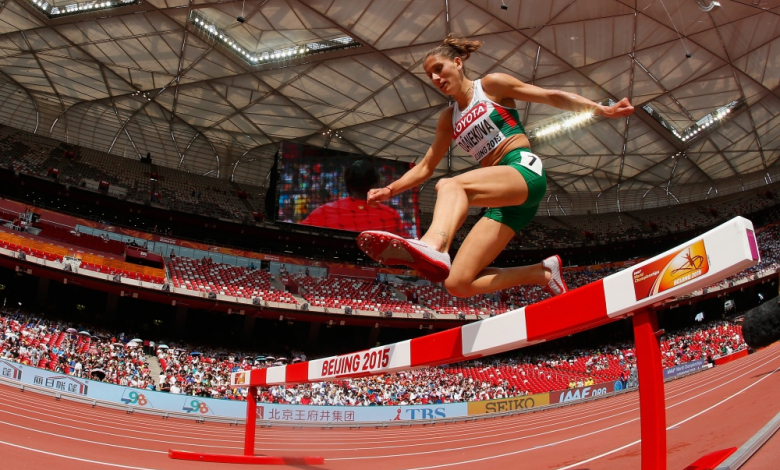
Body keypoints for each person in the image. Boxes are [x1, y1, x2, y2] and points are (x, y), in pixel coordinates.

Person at [357, 35, 633, 297]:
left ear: (457, 62)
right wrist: (389, 190)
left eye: (438, 69)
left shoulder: (490, 86)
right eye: (430, 76)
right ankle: (542, 273)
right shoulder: (448, 118)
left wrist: (602, 109)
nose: (436, 78)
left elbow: (552, 96)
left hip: (523, 170)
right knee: (457, 283)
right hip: (504, 201)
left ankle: (433, 244)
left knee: (450, 184)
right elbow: (427, 165)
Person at [301, 159, 409, 236]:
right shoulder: (390, 215)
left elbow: (298, 233)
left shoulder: (324, 212)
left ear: (348, 185)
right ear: (375, 184)